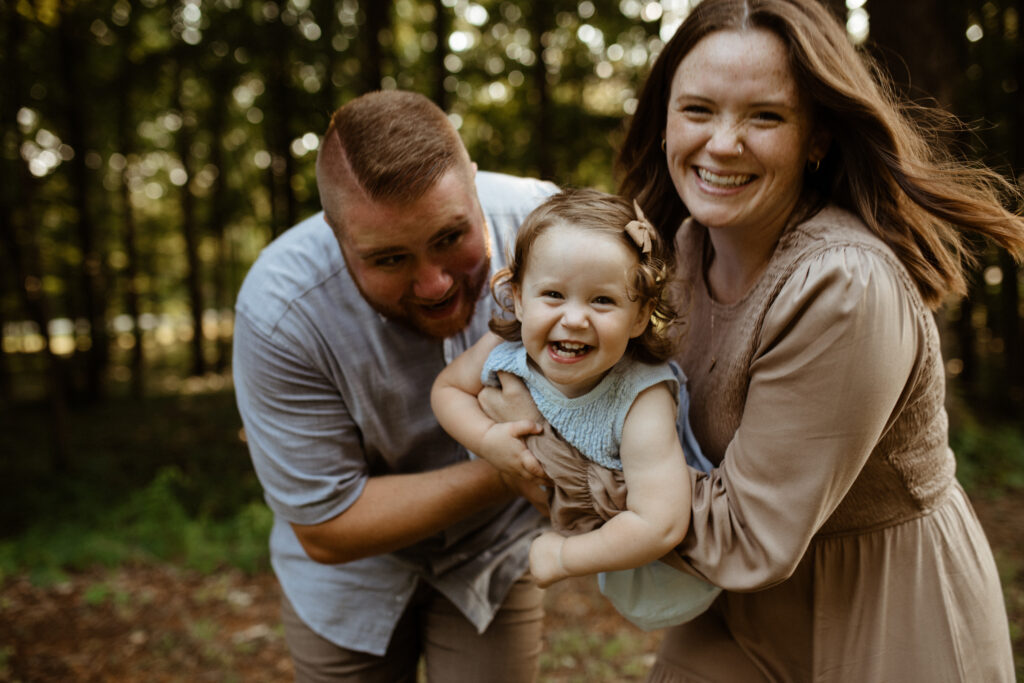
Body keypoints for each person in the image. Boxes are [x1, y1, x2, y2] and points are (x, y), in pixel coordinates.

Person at [482, 0, 1024, 680]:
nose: (723, 143)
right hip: (731, 610)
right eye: (698, 110)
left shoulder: (842, 285)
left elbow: (748, 536)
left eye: (764, 116)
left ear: (816, 138)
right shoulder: (670, 255)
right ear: (665, 120)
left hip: (879, 610)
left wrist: (551, 454)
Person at [232, 89, 559, 682]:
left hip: (495, 552)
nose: (434, 284)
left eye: (449, 237)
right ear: (333, 234)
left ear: (474, 185)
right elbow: (327, 527)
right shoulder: (279, 310)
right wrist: (517, 466)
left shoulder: (552, 231)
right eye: (388, 260)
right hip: (349, 576)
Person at [431, 189, 720, 630]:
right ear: (518, 297)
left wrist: (564, 556)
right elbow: (447, 389)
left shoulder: (641, 397)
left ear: (640, 316)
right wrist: (487, 440)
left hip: (671, 570)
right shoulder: (505, 348)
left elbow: (660, 523)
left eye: (602, 300)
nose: (575, 318)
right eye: (553, 294)